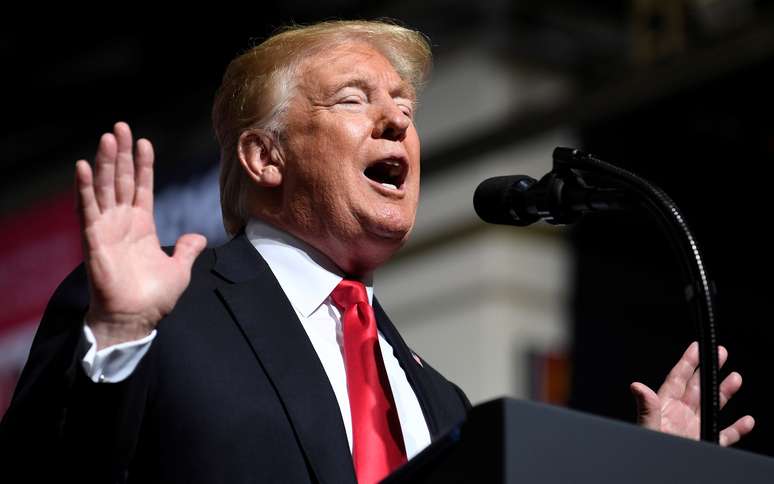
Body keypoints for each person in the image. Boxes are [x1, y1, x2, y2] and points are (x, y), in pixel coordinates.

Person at [0, 20, 754, 484]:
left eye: (405, 109)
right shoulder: (161, 310)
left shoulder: (439, 403)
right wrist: (122, 339)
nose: (396, 123)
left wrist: (647, 473)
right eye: (356, 99)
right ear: (265, 157)